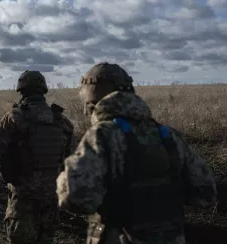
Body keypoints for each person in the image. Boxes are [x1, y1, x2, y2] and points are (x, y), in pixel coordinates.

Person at [56, 62, 217, 244]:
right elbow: (205, 194)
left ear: (90, 98)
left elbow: (76, 197)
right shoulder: (166, 134)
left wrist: (63, 177)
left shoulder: (102, 135)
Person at [0, 70, 76, 244]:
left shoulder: (15, 117)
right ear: (43, 90)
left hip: (23, 197)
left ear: (21, 91)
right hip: (51, 197)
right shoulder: (62, 122)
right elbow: (70, 161)